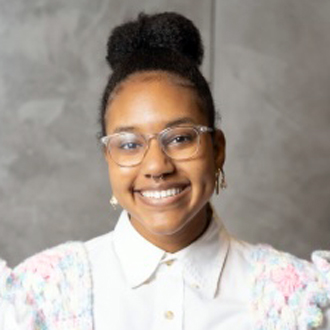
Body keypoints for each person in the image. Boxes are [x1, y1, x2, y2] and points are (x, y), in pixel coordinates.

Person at [0, 11, 330, 330]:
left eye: (181, 138)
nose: (157, 166)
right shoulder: (39, 298)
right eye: (129, 144)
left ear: (217, 150)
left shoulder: (300, 302)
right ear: (108, 157)